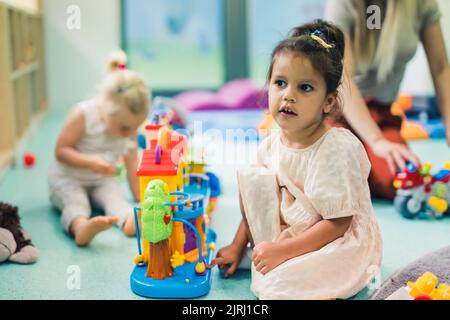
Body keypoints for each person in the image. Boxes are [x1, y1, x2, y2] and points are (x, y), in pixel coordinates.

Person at [209, 20, 382, 300]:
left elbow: (339, 223)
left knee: (279, 284)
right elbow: (259, 200)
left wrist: (282, 251)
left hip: (336, 237)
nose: (288, 95)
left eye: (305, 88)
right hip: (295, 228)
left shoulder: (334, 150)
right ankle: (271, 255)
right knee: (254, 179)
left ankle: (284, 260)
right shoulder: (270, 146)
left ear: (328, 102)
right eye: (280, 83)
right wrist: (237, 245)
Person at [325, 0, 450, 199]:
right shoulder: (342, 4)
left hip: (382, 114)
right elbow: (343, 77)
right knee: (333, 177)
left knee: (400, 181)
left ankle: (365, 168)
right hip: (338, 112)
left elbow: (441, 67)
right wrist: (376, 141)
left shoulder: (422, 3)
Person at [47, 51, 150, 246]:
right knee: (75, 202)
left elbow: (132, 166)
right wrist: (91, 162)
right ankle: (81, 228)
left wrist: (141, 200)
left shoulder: (127, 128)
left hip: (101, 180)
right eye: (125, 128)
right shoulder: (83, 114)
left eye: (135, 127)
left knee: (115, 198)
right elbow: (61, 151)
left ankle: (129, 221)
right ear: (107, 108)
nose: (130, 133)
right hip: (68, 178)